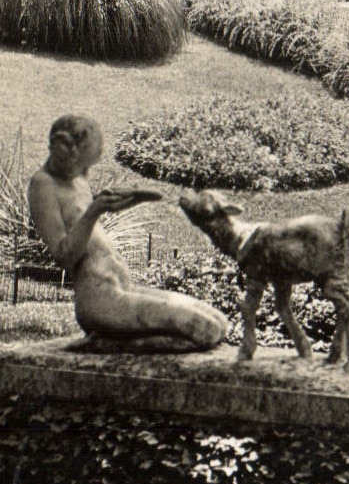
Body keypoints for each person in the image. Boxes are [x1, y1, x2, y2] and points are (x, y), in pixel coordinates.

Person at [28, 113, 228, 350]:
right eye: (83, 163)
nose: (86, 170)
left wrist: (124, 199)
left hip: (123, 289)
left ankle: (117, 340)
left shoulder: (77, 177)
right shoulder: (43, 184)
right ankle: (113, 343)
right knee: (205, 330)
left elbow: (85, 215)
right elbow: (64, 255)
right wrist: (95, 210)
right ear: (65, 152)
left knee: (219, 322)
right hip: (100, 300)